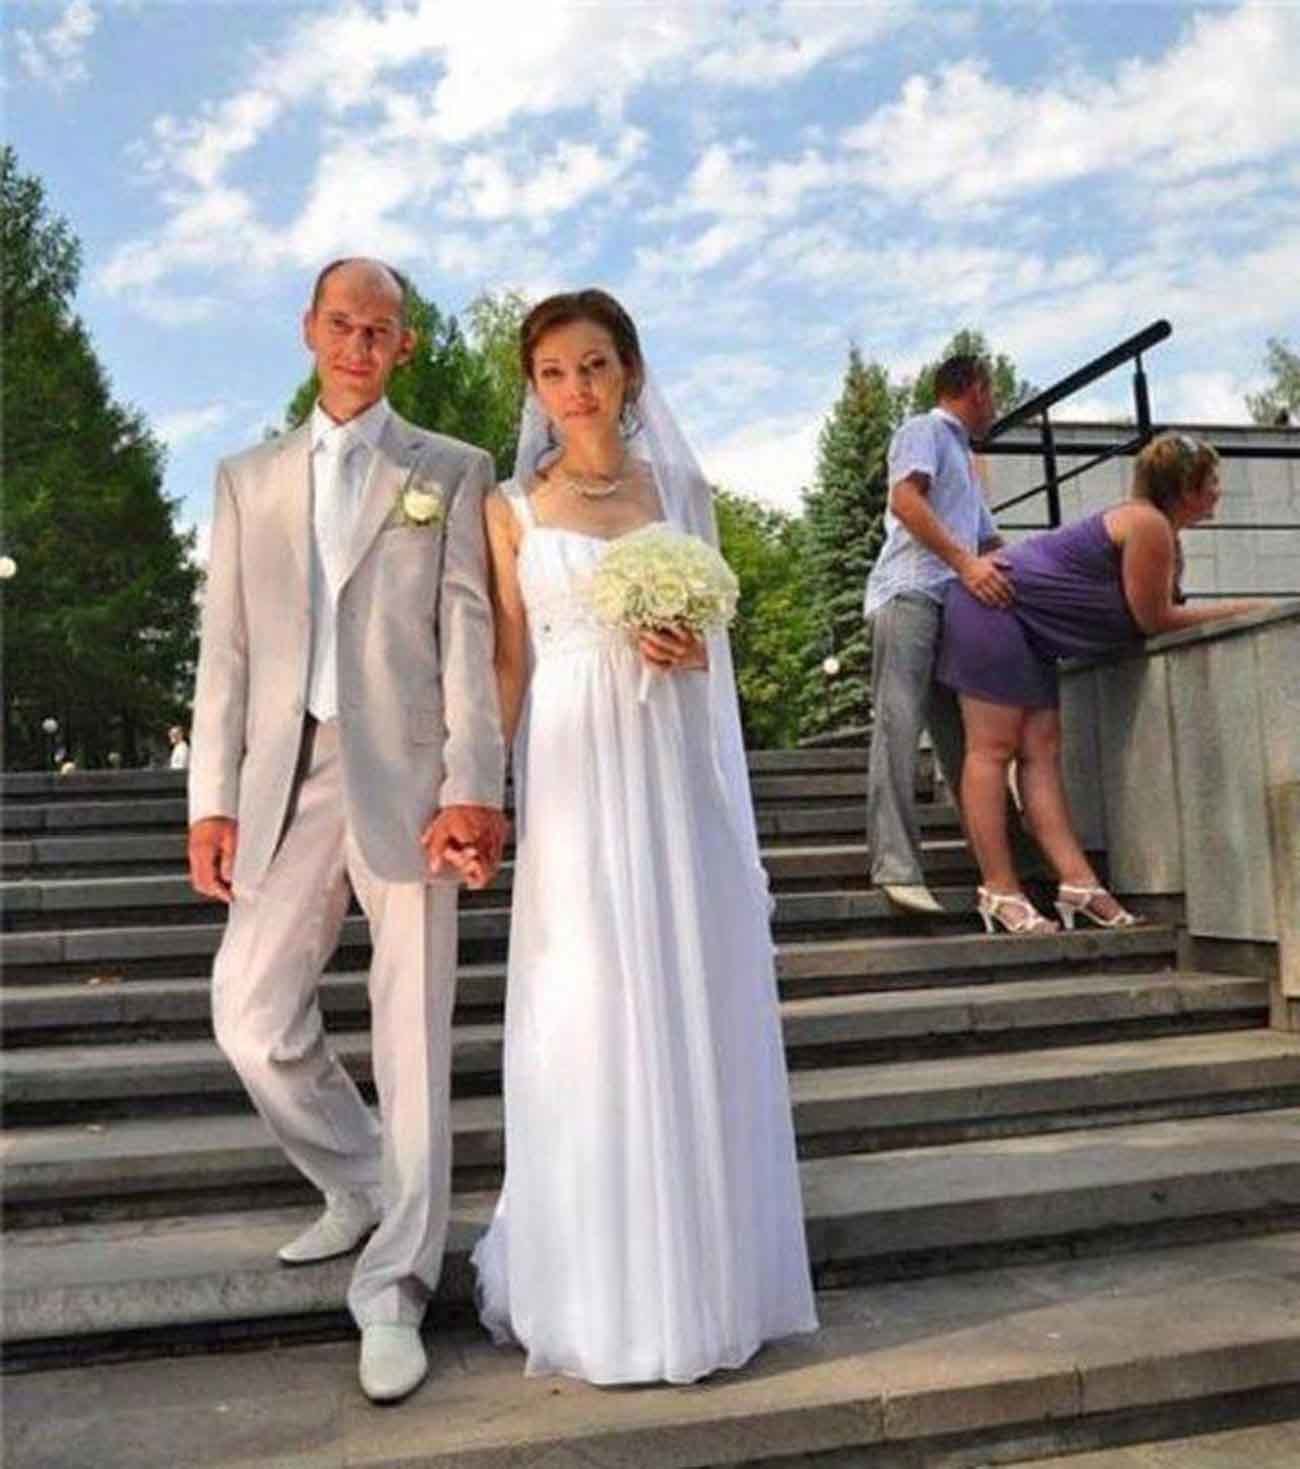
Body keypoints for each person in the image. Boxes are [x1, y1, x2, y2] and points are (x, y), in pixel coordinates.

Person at [472, 289, 818, 1385]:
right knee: (586, 1000)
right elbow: (511, 659)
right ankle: (600, 1291)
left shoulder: (680, 491)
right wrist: (477, 786)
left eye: (594, 365)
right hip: (573, 768)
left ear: (629, 370)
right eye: (553, 372)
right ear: (534, 389)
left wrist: (693, 650)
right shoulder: (508, 508)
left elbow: (716, 649)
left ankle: (705, 1281)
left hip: (670, 766)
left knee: (686, 992)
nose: (575, 389)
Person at [186, 258, 506, 1403]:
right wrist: (211, 798)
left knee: (412, 1038)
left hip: (414, 782)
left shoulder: (451, 469)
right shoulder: (246, 478)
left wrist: (474, 782)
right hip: (283, 779)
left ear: (403, 345)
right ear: (309, 329)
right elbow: (225, 649)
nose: (358, 344)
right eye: (341, 323)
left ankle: (395, 1288)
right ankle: (361, 1174)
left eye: (379, 329)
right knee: (248, 1010)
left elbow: (467, 635)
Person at [938, 432, 1265, 934]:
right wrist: (1250, 608)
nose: (1219, 490)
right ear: (1185, 488)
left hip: (1029, 628)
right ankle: (999, 889)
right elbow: (1154, 619)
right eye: (1212, 480)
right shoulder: (1148, 524)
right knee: (992, 749)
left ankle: (1079, 884)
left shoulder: (1158, 532)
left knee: (1041, 751)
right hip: (991, 607)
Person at [864, 354, 1010, 915]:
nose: (996, 404)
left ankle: (1003, 864)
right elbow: (905, 501)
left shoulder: (965, 462)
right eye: (993, 392)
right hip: (909, 593)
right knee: (899, 726)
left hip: (954, 607)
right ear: (974, 388)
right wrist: (966, 564)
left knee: (965, 738)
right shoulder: (923, 430)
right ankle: (896, 866)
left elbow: (991, 545)